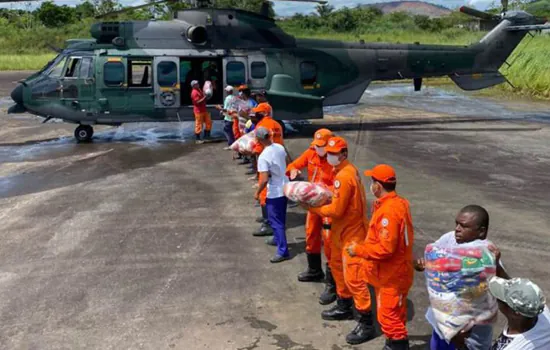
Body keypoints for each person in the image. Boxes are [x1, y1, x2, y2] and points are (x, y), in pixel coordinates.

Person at [414, 205, 510, 350]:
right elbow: (430, 257)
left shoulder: (486, 252)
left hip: (467, 336)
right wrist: (421, 263)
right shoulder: (450, 238)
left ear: (481, 231)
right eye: (457, 223)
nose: (457, 229)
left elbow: (505, 288)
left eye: (464, 226)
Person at [304, 137, 371, 339]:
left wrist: (312, 208)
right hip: (341, 231)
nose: (331, 156)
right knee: (336, 266)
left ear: (344, 154)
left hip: (351, 233)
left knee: (355, 278)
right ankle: (343, 304)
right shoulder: (343, 171)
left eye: (334, 153)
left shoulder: (344, 175)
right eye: (329, 153)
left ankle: (366, 322)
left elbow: (337, 210)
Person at [346, 164, 414, 348]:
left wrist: (358, 250)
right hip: (392, 273)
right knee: (394, 316)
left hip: (391, 276)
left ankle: (396, 345)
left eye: (373, 182)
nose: (371, 185)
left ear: (378, 185)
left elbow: (385, 249)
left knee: (390, 319)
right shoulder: (397, 203)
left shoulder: (389, 211)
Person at [286, 128, 337, 303]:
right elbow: (294, 165)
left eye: (321, 146)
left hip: (329, 206)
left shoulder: (335, 161)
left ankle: (332, 284)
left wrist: (325, 192)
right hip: (313, 204)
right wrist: (292, 171)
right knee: (311, 234)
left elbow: (340, 188)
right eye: (316, 145)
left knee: (330, 242)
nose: (318, 149)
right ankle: (314, 270)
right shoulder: (311, 153)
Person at [254, 127, 290, 263]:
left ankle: (282, 251)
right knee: (281, 218)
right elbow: (287, 163)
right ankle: (276, 239)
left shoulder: (263, 157)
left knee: (276, 222)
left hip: (275, 192)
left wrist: (257, 193)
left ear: (258, 139)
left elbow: (263, 179)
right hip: (285, 187)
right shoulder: (279, 147)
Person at [488, 276, 550, 350]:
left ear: (515, 313)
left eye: (499, 298)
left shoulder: (515, 347)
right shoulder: (538, 309)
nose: (495, 299)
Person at [250, 108, 285, 237]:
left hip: (268, 165)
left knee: (264, 195)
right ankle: (269, 219)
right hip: (278, 163)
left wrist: (257, 192)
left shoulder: (262, 125)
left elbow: (258, 147)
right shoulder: (277, 124)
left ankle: (267, 224)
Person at [216, 85, 236, 150]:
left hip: (228, 118)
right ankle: (234, 144)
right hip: (234, 117)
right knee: (232, 131)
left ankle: (230, 144)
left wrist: (219, 108)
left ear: (227, 91)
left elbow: (225, 109)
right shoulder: (235, 98)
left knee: (227, 131)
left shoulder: (227, 98)